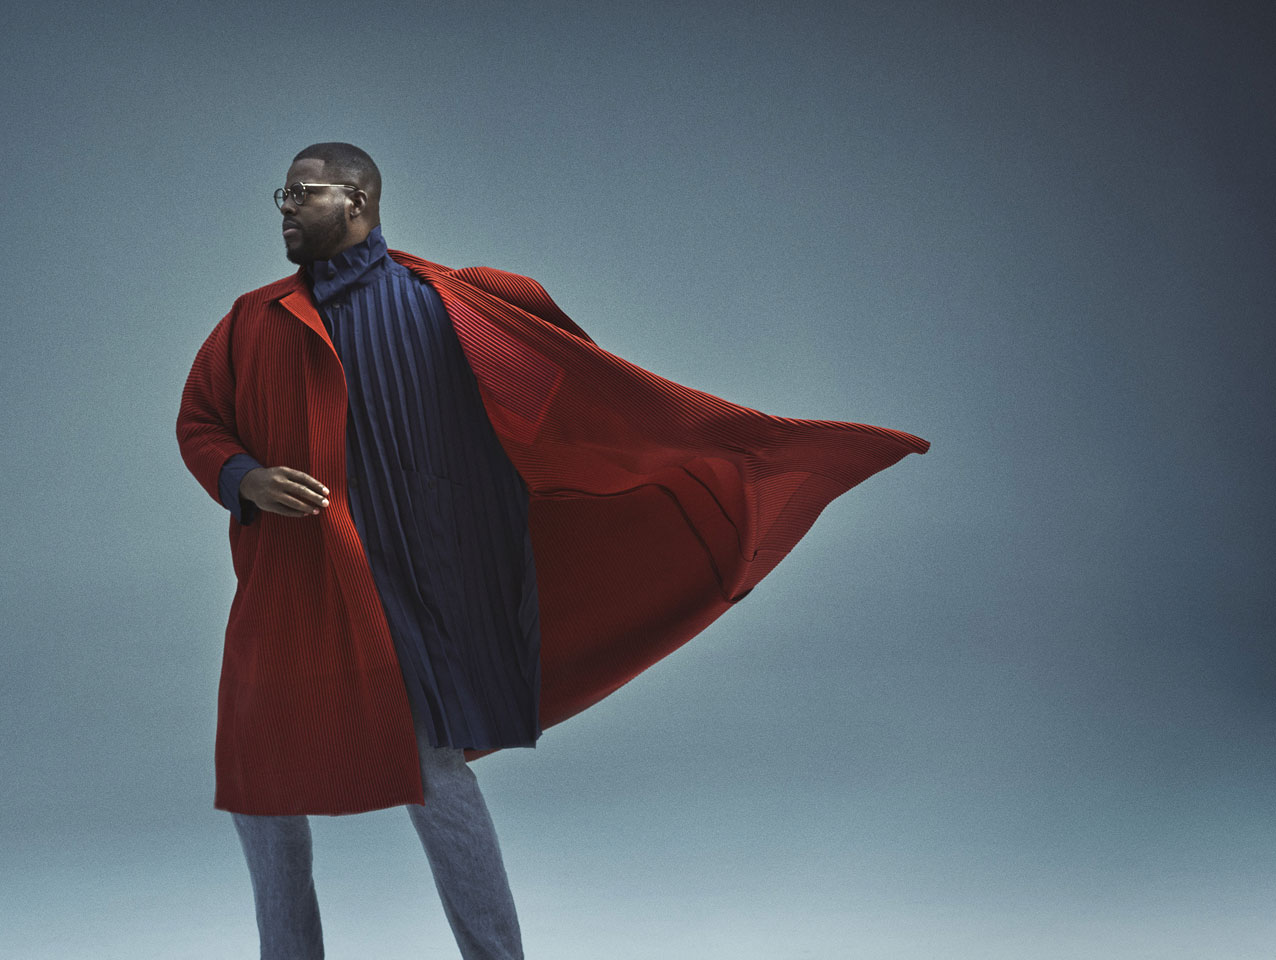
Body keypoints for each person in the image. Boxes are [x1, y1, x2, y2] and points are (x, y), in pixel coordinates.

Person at [177, 142, 929, 959]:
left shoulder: (453, 306)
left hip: (416, 586)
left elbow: (566, 406)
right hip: (292, 584)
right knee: (262, 788)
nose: (285, 207)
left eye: (304, 192)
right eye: (281, 193)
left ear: (358, 203)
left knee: (431, 774)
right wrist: (243, 477)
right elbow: (200, 422)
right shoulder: (252, 321)